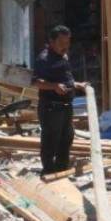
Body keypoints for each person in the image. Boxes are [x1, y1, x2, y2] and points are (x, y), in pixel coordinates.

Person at [33, 25, 89, 175]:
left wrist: (78, 85)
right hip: (51, 107)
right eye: (62, 42)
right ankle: (49, 172)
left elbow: (65, 80)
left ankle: (62, 170)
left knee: (66, 138)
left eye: (68, 42)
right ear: (52, 41)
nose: (66, 46)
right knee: (51, 140)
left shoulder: (63, 56)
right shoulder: (44, 59)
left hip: (65, 106)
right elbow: (36, 82)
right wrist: (54, 87)